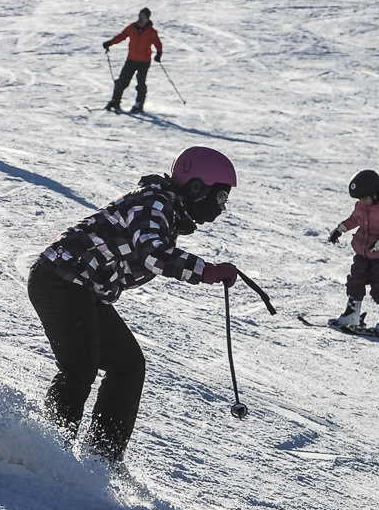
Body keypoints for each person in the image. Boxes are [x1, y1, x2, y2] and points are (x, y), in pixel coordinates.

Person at [28, 146, 241, 462]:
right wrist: (206, 271)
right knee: (80, 366)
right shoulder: (154, 204)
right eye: (220, 197)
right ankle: (45, 453)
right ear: (197, 187)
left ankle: (101, 458)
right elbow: (153, 254)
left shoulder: (164, 208)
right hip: (60, 281)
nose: (221, 207)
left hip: (81, 288)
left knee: (127, 365)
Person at [328, 169, 379, 337]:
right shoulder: (362, 204)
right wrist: (340, 229)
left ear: (376, 194)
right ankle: (352, 314)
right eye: (359, 199)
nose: (361, 201)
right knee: (355, 281)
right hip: (362, 252)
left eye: (364, 198)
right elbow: (355, 219)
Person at [102, 8, 163, 113]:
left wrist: (159, 54)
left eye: (143, 17)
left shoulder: (151, 32)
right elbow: (122, 36)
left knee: (140, 83)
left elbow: (158, 44)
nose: (140, 18)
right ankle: (115, 100)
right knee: (122, 81)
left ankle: (139, 104)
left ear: (147, 18)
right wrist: (110, 43)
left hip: (144, 62)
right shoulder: (132, 27)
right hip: (131, 60)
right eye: (139, 16)